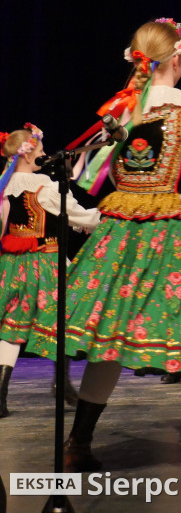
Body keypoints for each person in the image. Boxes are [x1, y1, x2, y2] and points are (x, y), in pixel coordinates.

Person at [28, 18, 181, 478]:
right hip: (175, 233)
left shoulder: (119, 113)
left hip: (121, 234)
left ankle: (77, 444)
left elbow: (96, 171)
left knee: (109, 336)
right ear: (178, 58)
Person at [0, 124, 99, 417]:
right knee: (65, 318)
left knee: (11, 329)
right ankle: (62, 384)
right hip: (45, 263)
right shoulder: (44, 186)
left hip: (11, 265)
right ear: (28, 155)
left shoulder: (4, 187)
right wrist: (106, 218)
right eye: (41, 151)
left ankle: (1, 395)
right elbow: (80, 216)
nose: (45, 157)